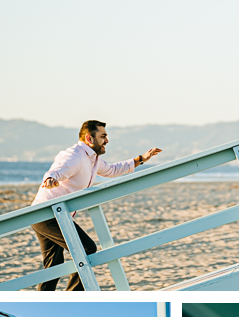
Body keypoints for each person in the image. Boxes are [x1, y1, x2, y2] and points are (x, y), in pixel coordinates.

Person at [31, 120, 161, 291]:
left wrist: (141, 159)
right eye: (103, 136)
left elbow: (113, 170)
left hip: (55, 215)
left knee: (53, 265)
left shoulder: (93, 160)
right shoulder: (75, 155)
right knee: (86, 248)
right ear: (89, 138)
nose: (107, 140)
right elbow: (58, 168)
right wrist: (51, 178)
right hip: (47, 214)